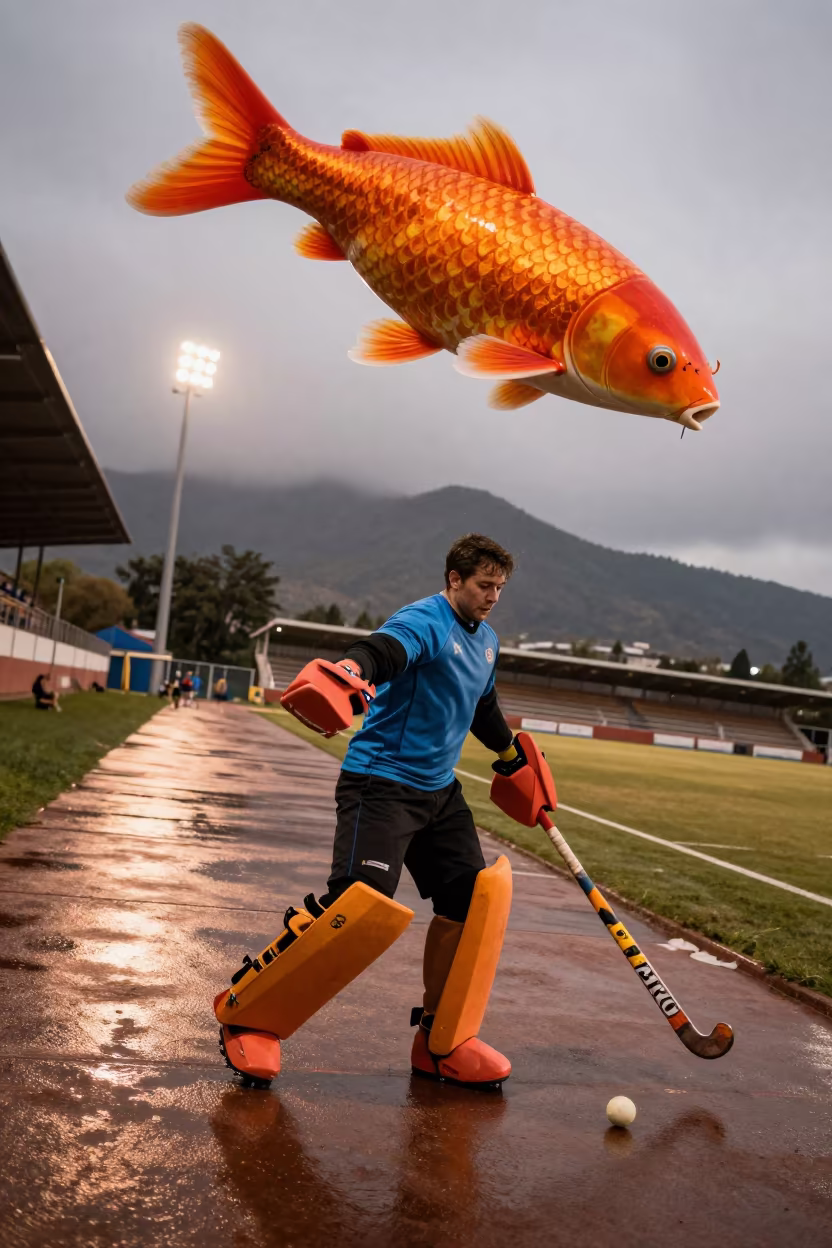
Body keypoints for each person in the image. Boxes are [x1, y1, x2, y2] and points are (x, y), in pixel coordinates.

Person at [214, 534, 538, 1091]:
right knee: (357, 908)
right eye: (484, 585)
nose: (492, 597)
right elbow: (385, 651)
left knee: (470, 903)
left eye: (500, 588)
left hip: (440, 792)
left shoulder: (486, 641)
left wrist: (511, 754)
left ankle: (441, 1041)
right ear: (455, 579)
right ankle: (250, 1015)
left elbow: (482, 704)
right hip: (381, 784)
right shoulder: (424, 619)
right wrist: (351, 668)